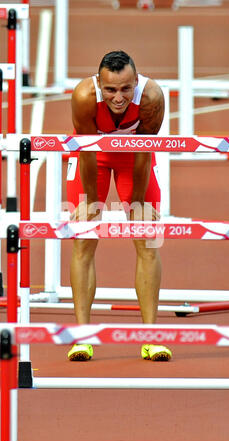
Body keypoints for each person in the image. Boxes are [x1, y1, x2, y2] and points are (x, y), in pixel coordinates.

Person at [66, 50, 172, 362]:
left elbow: (144, 151)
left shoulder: (151, 97)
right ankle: (82, 339)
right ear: (99, 84)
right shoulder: (84, 96)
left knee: (147, 239)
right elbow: (85, 151)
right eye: (110, 90)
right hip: (92, 157)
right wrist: (89, 202)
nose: (118, 97)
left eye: (126, 89)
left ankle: (151, 338)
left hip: (133, 156)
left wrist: (138, 203)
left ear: (136, 82)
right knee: (84, 239)